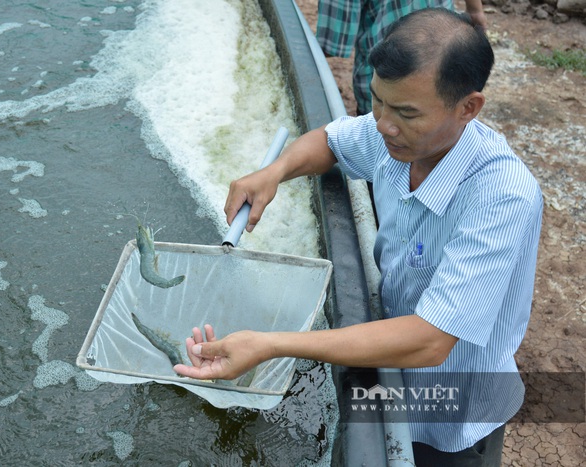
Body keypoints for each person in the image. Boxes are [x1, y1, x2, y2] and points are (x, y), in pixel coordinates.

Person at [174, 8, 543, 466]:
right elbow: (330, 140)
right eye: (378, 100)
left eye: (406, 112)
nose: (385, 123)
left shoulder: (501, 197)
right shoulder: (396, 137)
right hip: (392, 375)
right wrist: (275, 171)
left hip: (453, 408)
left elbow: (431, 340)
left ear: (468, 107)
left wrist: (272, 343)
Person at [316, 0, 487, 115]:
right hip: (446, 81)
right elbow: (475, 15)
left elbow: (333, 42)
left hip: (386, 90)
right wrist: (475, 9)